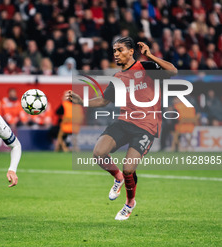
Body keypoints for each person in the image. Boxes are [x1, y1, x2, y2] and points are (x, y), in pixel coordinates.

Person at [67, 37, 178, 220]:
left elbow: (172, 70)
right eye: (114, 51)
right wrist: (82, 101)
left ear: (131, 51)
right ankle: (117, 177)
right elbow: (103, 100)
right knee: (98, 153)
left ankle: (129, 203)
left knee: (129, 169)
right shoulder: (117, 77)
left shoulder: (146, 67)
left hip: (146, 126)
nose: (116, 54)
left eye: (120, 50)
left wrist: (150, 55)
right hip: (124, 121)